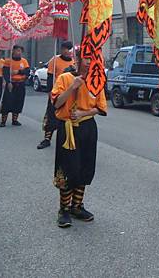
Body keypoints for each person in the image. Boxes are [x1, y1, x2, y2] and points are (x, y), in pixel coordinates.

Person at [52, 51, 107, 228]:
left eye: (93, 59)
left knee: (85, 167)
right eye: (87, 58)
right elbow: (57, 102)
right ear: (78, 59)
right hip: (68, 129)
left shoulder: (96, 81)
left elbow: (100, 108)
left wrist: (84, 112)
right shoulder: (65, 78)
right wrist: (72, 87)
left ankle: (77, 206)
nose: (90, 62)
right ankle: (64, 209)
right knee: (68, 169)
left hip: (87, 128)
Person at [37, 41, 75, 149]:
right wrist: (50, 92)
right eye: (65, 49)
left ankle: (68, 139)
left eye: (69, 49)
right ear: (62, 50)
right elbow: (50, 77)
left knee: (70, 116)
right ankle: (47, 139)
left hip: (70, 93)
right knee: (51, 115)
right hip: (57, 92)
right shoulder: (55, 60)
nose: (67, 51)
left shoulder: (75, 61)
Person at [0, 45, 30, 127]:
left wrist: (18, 72)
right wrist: (8, 82)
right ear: (13, 51)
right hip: (11, 84)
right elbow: (5, 73)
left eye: (20, 51)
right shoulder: (8, 61)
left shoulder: (24, 61)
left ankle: (15, 120)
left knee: (19, 101)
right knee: (7, 102)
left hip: (20, 83)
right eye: (17, 50)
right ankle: (3, 121)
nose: (18, 52)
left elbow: (27, 71)